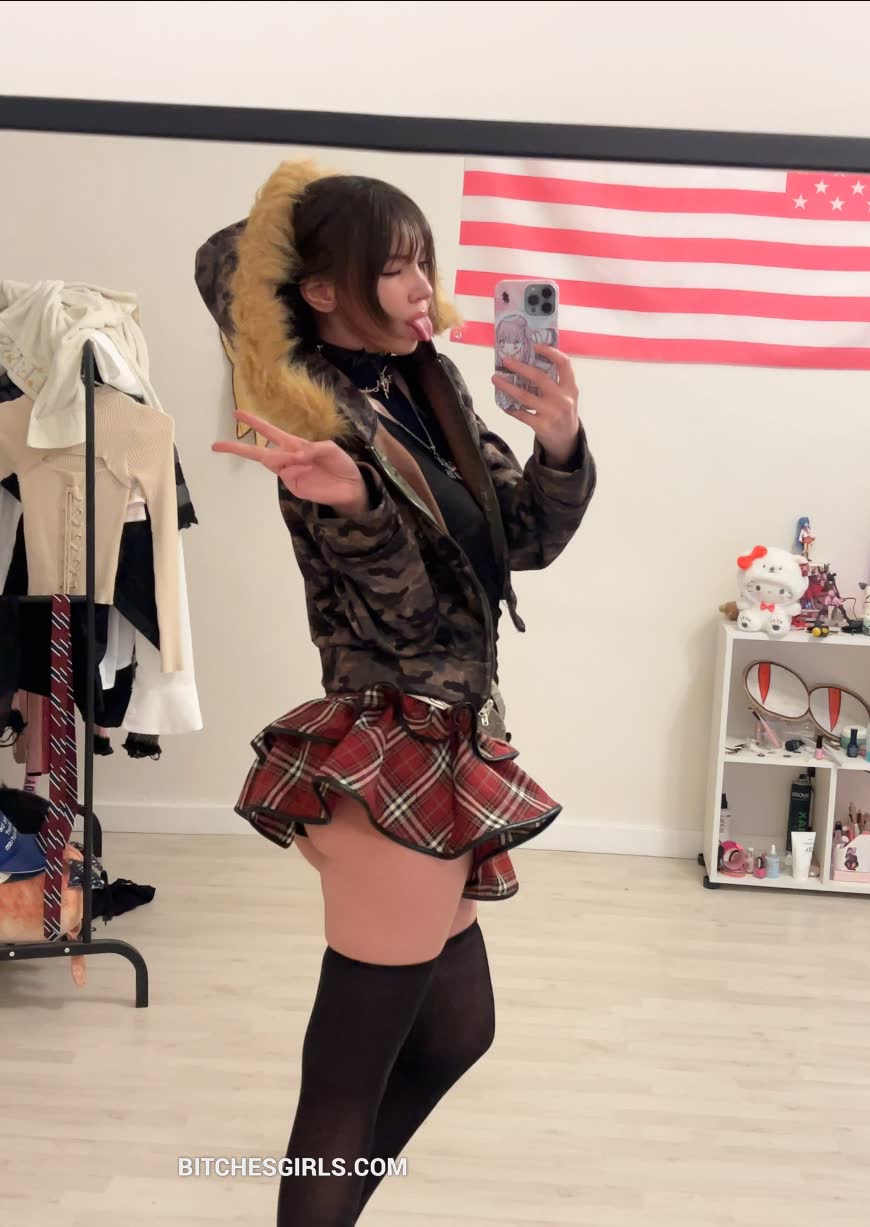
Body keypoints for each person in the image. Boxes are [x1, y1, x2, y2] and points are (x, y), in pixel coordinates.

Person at [196, 159, 597, 1226]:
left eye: (424, 261)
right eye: (394, 268)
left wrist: (559, 441)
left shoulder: (427, 383)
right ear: (323, 289)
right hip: (390, 745)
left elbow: (522, 539)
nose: (426, 288)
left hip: (446, 743)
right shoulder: (311, 422)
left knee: (457, 1031)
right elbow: (403, 628)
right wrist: (357, 508)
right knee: (342, 1085)